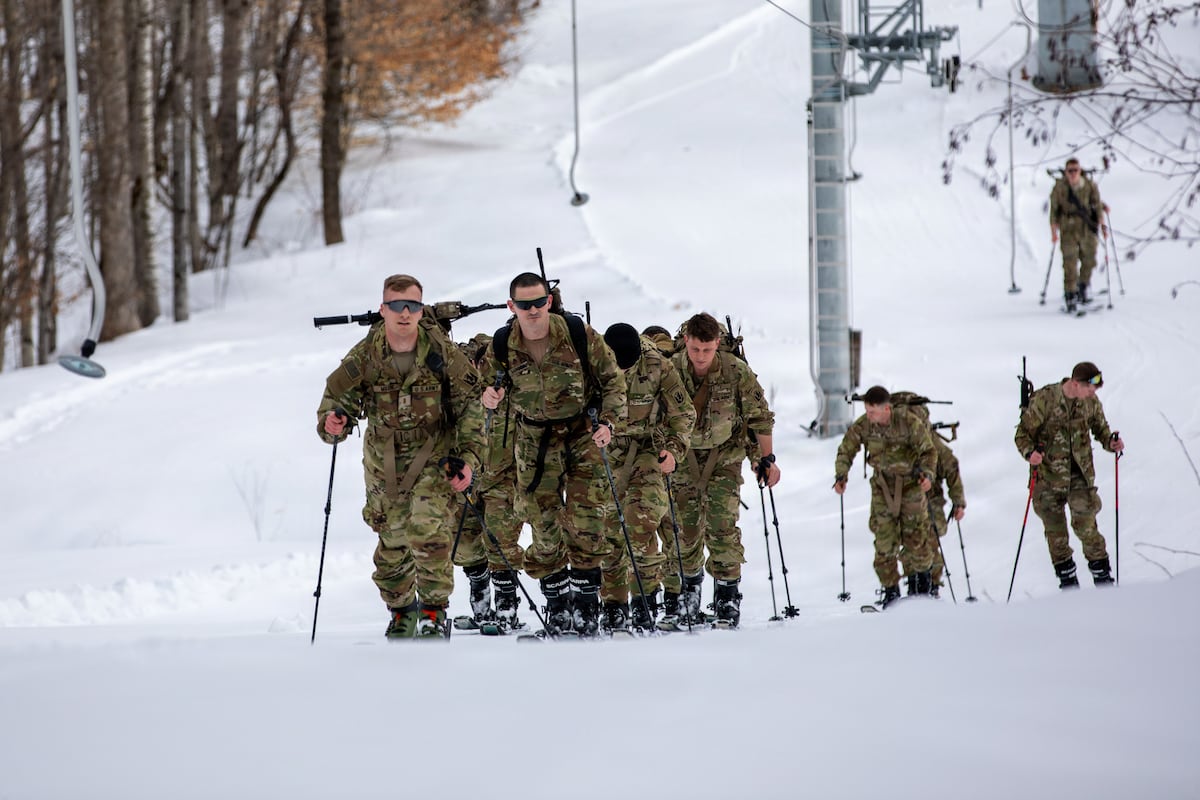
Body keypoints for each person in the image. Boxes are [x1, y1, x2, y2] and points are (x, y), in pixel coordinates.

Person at [316, 274, 483, 640]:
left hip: (434, 454)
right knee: (391, 542)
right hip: (384, 460)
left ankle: (434, 612)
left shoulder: (441, 353)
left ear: (421, 310)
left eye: (412, 306)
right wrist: (334, 423)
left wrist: (469, 459)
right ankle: (401, 611)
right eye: (396, 306)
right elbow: (335, 399)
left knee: (427, 528)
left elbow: (472, 405)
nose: (404, 313)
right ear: (383, 309)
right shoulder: (366, 355)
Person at [480, 273, 627, 637]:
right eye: (524, 305)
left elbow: (613, 381)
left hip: (582, 432)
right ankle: (558, 608)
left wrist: (608, 422)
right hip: (533, 439)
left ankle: (587, 609)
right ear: (511, 306)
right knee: (541, 521)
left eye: (539, 302)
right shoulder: (502, 345)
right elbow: (481, 386)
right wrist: (489, 397)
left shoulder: (578, 334)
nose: (533, 311)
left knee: (588, 519)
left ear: (549, 301)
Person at [660, 312, 779, 628]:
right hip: (682, 458)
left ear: (716, 345)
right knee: (683, 529)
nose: (701, 357)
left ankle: (727, 599)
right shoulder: (669, 371)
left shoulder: (736, 372)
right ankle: (687, 598)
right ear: (686, 342)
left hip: (724, 456)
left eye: (708, 350)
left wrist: (765, 459)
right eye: (696, 349)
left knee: (722, 525)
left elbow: (760, 417)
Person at [597, 323, 696, 631]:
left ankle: (645, 598)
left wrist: (673, 450)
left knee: (641, 520)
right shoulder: (592, 362)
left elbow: (684, 414)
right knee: (608, 531)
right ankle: (613, 604)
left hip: (647, 451)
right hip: (604, 452)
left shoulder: (658, 366)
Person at [1013, 361, 1124, 588]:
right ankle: (1069, 586)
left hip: (1080, 476)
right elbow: (1022, 434)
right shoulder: (1045, 400)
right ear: (1075, 383)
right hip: (1047, 477)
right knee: (1056, 534)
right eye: (1089, 389)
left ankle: (1104, 581)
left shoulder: (1090, 402)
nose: (1093, 393)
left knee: (1086, 526)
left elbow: (1101, 429)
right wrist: (1030, 453)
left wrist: (1110, 442)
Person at [449, 333, 528, 632]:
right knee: (466, 546)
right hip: (466, 477)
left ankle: (507, 610)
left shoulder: (509, 383)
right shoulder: (457, 388)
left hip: (504, 476)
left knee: (501, 542)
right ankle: (480, 607)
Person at [833, 386, 937, 607]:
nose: (869, 416)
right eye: (867, 411)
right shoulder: (865, 424)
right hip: (882, 487)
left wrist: (928, 475)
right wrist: (841, 475)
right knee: (884, 542)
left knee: (916, 541)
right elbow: (847, 447)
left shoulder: (908, 422)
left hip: (911, 485)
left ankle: (922, 590)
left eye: (873, 412)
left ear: (886, 408)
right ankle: (891, 593)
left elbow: (928, 451)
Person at [890, 392, 967, 598]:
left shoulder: (929, 441)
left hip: (929, 502)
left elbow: (951, 467)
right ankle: (917, 587)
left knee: (928, 544)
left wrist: (958, 501)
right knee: (909, 545)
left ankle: (929, 588)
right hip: (906, 502)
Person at [1050, 157, 1109, 311]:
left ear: (1080, 170)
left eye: (1076, 170)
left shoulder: (1089, 186)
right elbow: (1054, 211)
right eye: (1070, 171)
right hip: (1068, 229)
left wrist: (1102, 224)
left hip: (1087, 228)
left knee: (1089, 260)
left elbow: (1096, 205)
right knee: (1069, 263)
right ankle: (1070, 294)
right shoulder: (1060, 188)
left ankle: (1083, 287)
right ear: (1066, 172)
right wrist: (1053, 231)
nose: (1073, 173)